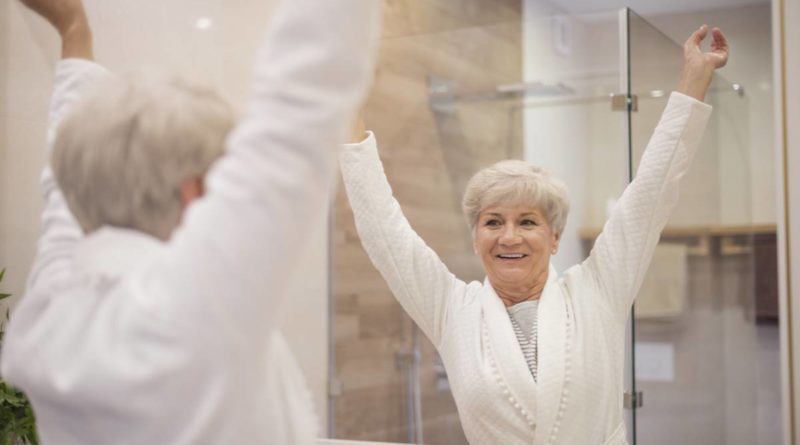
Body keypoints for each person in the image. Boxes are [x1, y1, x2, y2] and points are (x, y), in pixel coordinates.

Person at [0, 0, 382, 443]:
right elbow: (302, 98)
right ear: (195, 192)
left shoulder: (51, 308)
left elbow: (61, 193)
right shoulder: (194, 308)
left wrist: (74, 30)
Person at [341, 26, 729, 445]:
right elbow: (383, 228)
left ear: (555, 237)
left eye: (527, 222)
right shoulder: (453, 311)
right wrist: (347, 106)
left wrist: (695, 78)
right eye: (492, 222)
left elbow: (651, 193)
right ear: (475, 238)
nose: (509, 237)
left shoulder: (596, 292)